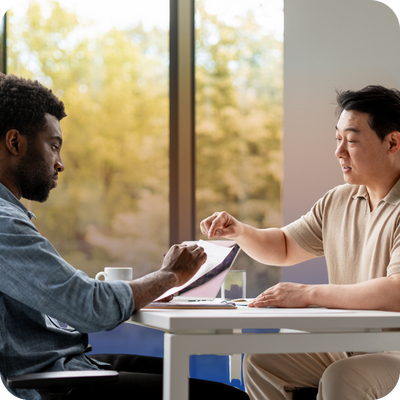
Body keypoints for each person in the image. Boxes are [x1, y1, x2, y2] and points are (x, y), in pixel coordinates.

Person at [0, 73, 249, 400]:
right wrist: (170, 275)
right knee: (227, 398)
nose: (60, 164)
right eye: (54, 145)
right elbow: (88, 307)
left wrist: (156, 286)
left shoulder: (12, 216)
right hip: (51, 383)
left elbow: (72, 294)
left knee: (178, 373)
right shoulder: (5, 224)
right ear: (15, 142)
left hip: (65, 364)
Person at [200, 85, 400, 400]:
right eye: (337, 140)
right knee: (261, 361)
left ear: (392, 142)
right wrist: (239, 231)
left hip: (395, 352)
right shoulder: (338, 200)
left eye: (351, 141)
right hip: (348, 347)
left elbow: (396, 292)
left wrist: (307, 294)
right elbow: (284, 246)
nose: (339, 152)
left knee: (343, 377)